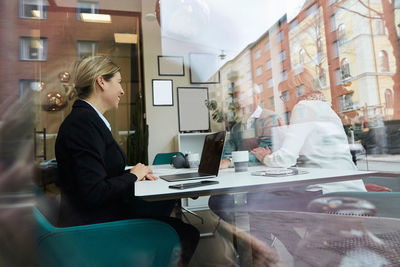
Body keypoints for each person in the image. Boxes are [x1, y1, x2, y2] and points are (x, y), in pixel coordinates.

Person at [55, 56, 199, 266]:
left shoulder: (88, 120)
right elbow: (94, 191)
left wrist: (134, 172)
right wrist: (132, 175)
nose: (122, 90)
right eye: (119, 82)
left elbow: (99, 172)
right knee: (185, 234)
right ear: (101, 81)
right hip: (94, 226)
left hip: (100, 216)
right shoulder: (83, 124)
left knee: (166, 208)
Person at [209, 91, 367, 255]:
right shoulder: (328, 111)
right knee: (262, 204)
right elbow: (316, 149)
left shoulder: (303, 108)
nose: (284, 102)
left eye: (284, 96)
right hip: (347, 188)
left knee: (257, 206)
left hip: (326, 193)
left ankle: (269, 256)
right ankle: (295, 251)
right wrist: (285, 137)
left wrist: (266, 157)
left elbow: (285, 159)